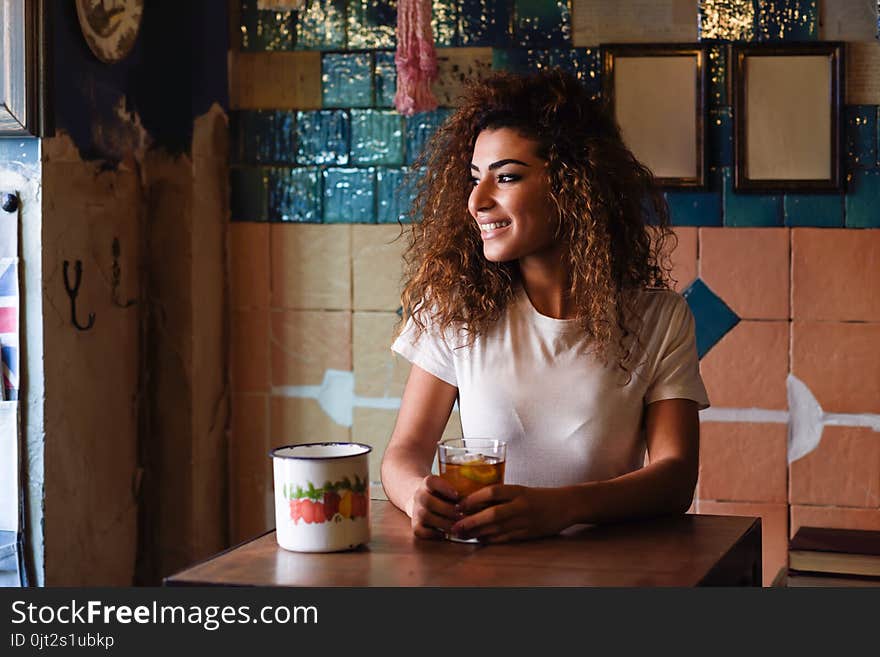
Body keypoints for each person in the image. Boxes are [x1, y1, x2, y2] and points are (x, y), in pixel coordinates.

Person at [380, 68, 710, 544]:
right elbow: (404, 453)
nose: (476, 201)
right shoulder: (455, 309)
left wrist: (562, 507)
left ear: (573, 187)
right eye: (474, 179)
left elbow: (675, 477)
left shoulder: (660, 319)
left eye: (506, 177)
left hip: (612, 578)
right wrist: (415, 494)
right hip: (484, 577)